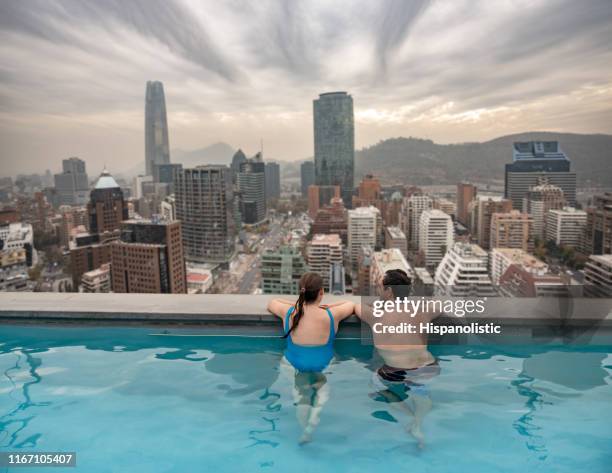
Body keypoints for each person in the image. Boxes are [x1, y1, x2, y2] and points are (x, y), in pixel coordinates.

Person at [355, 269, 440, 448]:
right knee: (421, 390)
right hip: (428, 367)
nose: (378, 290)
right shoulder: (423, 311)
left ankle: (408, 416)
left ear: (390, 291)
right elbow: (440, 306)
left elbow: (355, 305)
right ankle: (418, 422)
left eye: (380, 288)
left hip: (395, 372)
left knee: (376, 383)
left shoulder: (377, 315)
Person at [267, 272, 354, 443]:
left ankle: (303, 427)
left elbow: (272, 302)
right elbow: (350, 304)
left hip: (294, 362)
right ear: (321, 292)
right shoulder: (331, 315)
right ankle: (316, 415)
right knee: (323, 390)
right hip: (323, 363)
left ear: (301, 293)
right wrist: (327, 306)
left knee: (300, 395)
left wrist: (296, 303)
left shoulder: (289, 312)